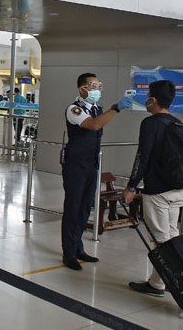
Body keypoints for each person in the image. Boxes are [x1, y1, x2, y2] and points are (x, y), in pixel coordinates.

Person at [122, 79, 183, 296]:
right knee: (171, 235)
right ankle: (162, 281)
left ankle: (168, 283)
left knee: (160, 240)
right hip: (179, 190)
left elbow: (143, 158)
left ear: (152, 99)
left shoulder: (150, 124)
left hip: (158, 192)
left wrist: (131, 186)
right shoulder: (178, 123)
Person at [61, 73, 132, 270]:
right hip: (75, 165)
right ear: (81, 89)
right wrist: (116, 108)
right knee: (73, 208)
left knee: (85, 208)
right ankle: (68, 253)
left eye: (99, 85)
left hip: (91, 164)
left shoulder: (96, 108)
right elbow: (94, 125)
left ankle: (78, 247)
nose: (96, 89)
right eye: (92, 85)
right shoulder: (74, 109)